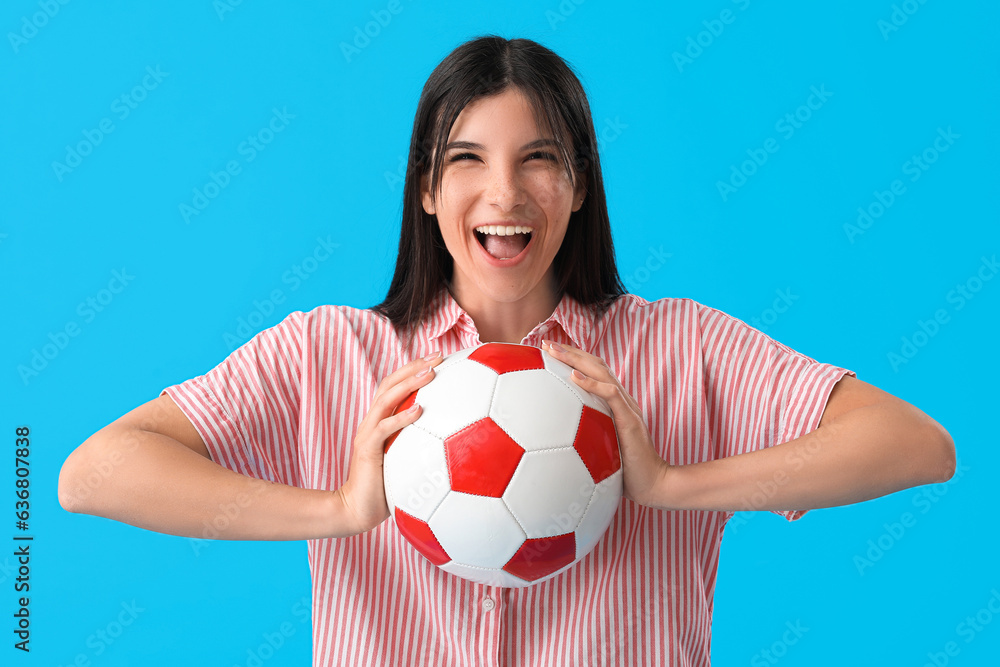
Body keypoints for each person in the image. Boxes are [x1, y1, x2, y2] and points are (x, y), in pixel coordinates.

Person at [58, 35, 955, 666]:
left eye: (539, 158)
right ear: (423, 188)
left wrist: (672, 485)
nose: (504, 193)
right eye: (466, 160)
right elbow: (91, 473)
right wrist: (339, 508)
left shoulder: (679, 347)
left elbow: (918, 444)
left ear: (577, 184)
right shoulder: (327, 355)